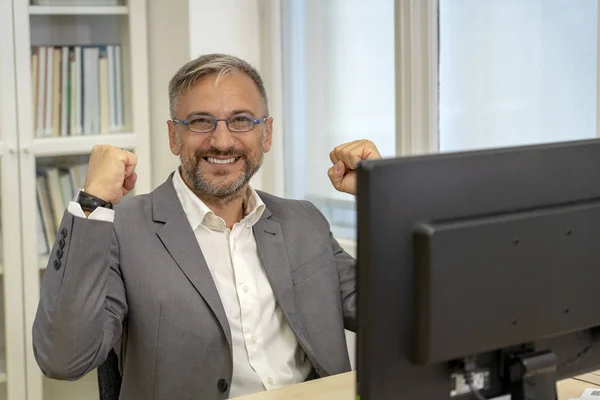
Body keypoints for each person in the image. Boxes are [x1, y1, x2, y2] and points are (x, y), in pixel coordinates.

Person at [32, 53, 381, 399]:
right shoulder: (122, 229)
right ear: (173, 136)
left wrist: (382, 195)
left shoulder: (304, 221)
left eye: (241, 120)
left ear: (267, 133)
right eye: (200, 121)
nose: (222, 141)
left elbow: (396, 315)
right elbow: (64, 358)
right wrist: (92, 204)